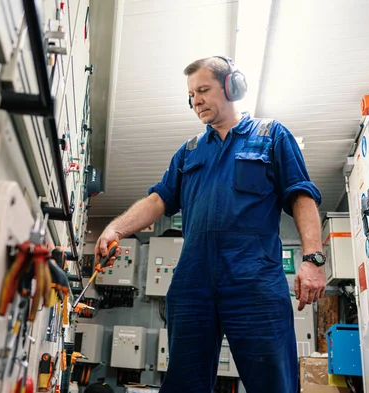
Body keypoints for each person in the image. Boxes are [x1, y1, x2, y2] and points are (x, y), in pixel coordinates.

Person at [94, 56, 326, 393]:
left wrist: (313, 259)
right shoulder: (189, 152)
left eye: (203, 89)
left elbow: (301, 195)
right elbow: (159, 199)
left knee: (273, 381)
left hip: (253, 280)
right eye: (191, 94)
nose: (196, 100)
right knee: (183, 383)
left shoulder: (271, 135)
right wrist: (116, 229)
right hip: (193, 283)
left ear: (232, 86)